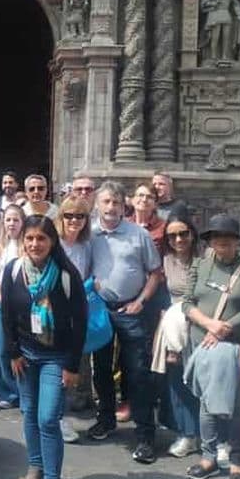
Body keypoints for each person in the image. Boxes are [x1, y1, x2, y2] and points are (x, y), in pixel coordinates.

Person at [1, 215, 87, 479]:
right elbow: (7, 315)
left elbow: (80, 321)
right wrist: (13, 352)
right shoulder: (14, 270)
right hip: (25, 355)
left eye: (41, 238)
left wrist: (72, 365)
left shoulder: (66, 274)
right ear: (22, 240)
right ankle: (35, 470)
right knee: (29, 413)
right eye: (29, 238)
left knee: (48, 418)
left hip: (56, 356)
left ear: (52, 241)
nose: (35, 244)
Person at [182, 214, 240, 479]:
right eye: (217, 237)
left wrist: (225, 327)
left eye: (228, 237)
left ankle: (237, 460)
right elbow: (187, 302)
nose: (222, 242)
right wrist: (209, 324)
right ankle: (208, 457)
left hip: (235, 348)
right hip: (203, 344)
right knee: (206, 403)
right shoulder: (199, 266)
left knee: (237, 405)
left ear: (237, 241)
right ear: (209, 241)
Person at [88, 181, 162, 464]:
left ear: (123, 206)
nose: (111, 207)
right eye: (106, 201)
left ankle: (145, 435)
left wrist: (141, 301)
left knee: (138, 371)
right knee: (101, 368)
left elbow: (155, 272)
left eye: (116, 202)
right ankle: (106, 419)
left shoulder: (138, 234)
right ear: (98, 204)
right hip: (99, 310)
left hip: (130, 309)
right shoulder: (88, 233)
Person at [154, 213, 202, 458]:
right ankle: (187, 433)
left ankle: (209, 433)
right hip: (176, 326)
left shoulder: (206, 259)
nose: (178, 240)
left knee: (201, 381)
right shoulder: (166, 260)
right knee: (177, 380)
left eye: (183, 233)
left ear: (192, 233)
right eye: (172, 236)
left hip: (203, 324)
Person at [55, 195, 95, 426]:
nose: (74, 220)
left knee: (80, 354)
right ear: (61, 217)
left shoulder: (86, 245)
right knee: (59, 360)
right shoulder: (55, 243)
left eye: (80, 216)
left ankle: (81, 396)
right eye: (69, 215)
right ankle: (59, 414)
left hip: (79, 307)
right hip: (57, 309)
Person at [0, 204, 24, 409]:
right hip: (2, 303)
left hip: (23, 306)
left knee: (23, 349)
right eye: (8, 219)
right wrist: (0, 296)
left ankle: (24, 391)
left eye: (16, 220)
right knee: (3, 349)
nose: (12, 223)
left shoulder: (27, 245)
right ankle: (8, 392)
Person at [129, 182, 166, 254]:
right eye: (141, 195)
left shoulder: (163, 227)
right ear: (132, 200)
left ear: (156, 204)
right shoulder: (123, 224)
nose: (144, 200)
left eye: (150, 197)